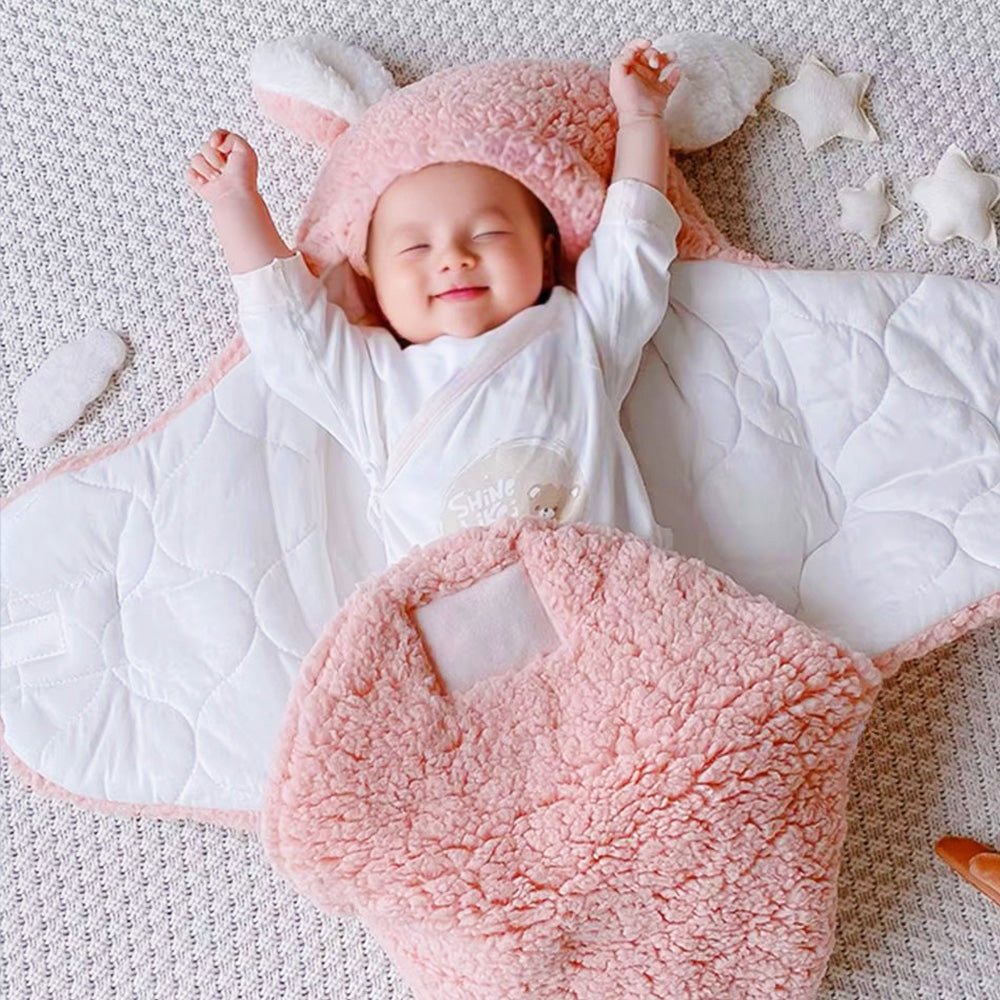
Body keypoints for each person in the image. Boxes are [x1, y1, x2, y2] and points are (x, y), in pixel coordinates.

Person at [187, 38, 682, 565]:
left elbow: (633, 242)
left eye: (488, 234)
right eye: (416, 247)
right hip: (460, 628)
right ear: (371, 277)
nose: (453, 258)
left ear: (545, 249)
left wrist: (641, 120)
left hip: (612, 594)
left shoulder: (579, 330)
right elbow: (287, 329)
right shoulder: (372, 381)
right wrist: (236, 205)